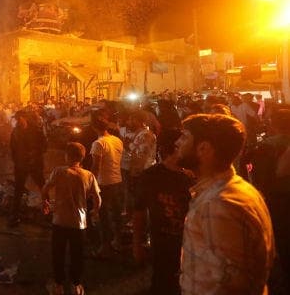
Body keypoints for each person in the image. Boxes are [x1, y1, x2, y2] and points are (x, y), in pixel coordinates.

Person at [177, 114, 274, 294]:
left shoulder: (217, 204)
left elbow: (232, 282)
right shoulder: (238, 188)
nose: (177, 143)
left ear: (204, 148)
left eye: (184, 137)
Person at [132, 129, 193, 295]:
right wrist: (137, 243)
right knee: (162, 284)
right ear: (174, 148)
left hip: (191, 247)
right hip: (162, 246)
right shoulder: (151, 176)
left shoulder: (193, 177)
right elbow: (139, 211)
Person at [42, 142, 101, 295]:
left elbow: (45, 188)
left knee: (58, 253)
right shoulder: (88, 175)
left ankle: (58, 285)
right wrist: (95, 211)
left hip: (59, 221)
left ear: (67, 156)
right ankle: (76, 284)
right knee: (77, 254)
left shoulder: (59, 171)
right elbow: (97, 198)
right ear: (82, 158)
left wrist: (45, 202)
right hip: (79, 223)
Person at [251, 108, 290, 285]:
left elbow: (261, 176)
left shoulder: (267, 146)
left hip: (277, 198)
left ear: (273, 124)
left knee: (281, 238)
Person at [89, 117, 123, 257]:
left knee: (103, 215)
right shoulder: (117, 140)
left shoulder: (98, 143)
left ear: (94, 128)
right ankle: (118, 241)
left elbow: (96, 166)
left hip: (104, 182)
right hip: (117, 180)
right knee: (116, 213)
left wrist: (91, 183)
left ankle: (105, 246)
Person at [9, 110, 47, 226]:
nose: (17, 121)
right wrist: (17, 161)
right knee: (18, 190)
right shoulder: (15, 132)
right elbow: (13, 148)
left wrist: (34, 155)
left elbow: (44, 146)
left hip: (35, 164)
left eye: (19, 118)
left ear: (24, 118)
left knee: (43, 187)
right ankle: (14, 216)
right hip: (21, 166)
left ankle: (47, 212)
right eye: (16, 119)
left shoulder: (36, 130)